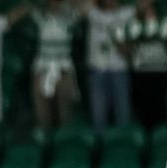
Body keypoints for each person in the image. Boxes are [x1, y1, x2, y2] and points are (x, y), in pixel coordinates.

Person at [113, 0, 167, 130]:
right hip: (141, 74)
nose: (149, 14)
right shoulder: (134, 26)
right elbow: (119, 40)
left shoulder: (164, 24)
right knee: (143, 111)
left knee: (160, 110)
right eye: (147, 11)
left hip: (159, 73)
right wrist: (130, 54)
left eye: (151, 11)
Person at [31, 0, 82, 131]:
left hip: (63, 69)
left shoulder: (69, 19)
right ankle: (44, 142)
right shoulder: (41, 18)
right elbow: (27, 6)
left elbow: (86, 7)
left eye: (58, 2)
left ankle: (63, 141)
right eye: (52, 2)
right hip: (42, 68)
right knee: (42, 113)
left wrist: (72, 4)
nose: (55, 4)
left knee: (65, 111)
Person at [83, 0, 134, 130]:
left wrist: (127, 49)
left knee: (122, 114)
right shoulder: (93, 13)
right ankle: (100, 147)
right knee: (98, 117)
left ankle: (122, 147)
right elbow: (81, 4)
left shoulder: (128, 12)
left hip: (119, 70)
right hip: (97, 70)